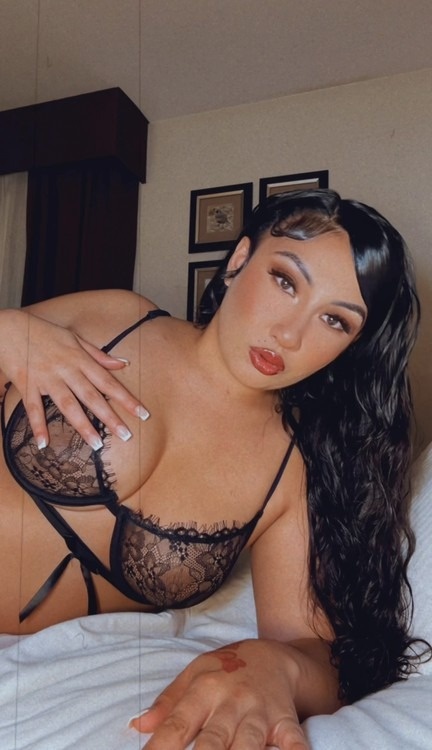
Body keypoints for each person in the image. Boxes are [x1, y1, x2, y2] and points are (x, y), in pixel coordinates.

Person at [0, 189, 429, 749]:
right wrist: (4, 328)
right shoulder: (115, 320)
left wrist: (275, 667)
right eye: (285, 281)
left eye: (334, 320)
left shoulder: (290, 470)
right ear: (239, 260)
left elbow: (311, 647)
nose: (289, 334)